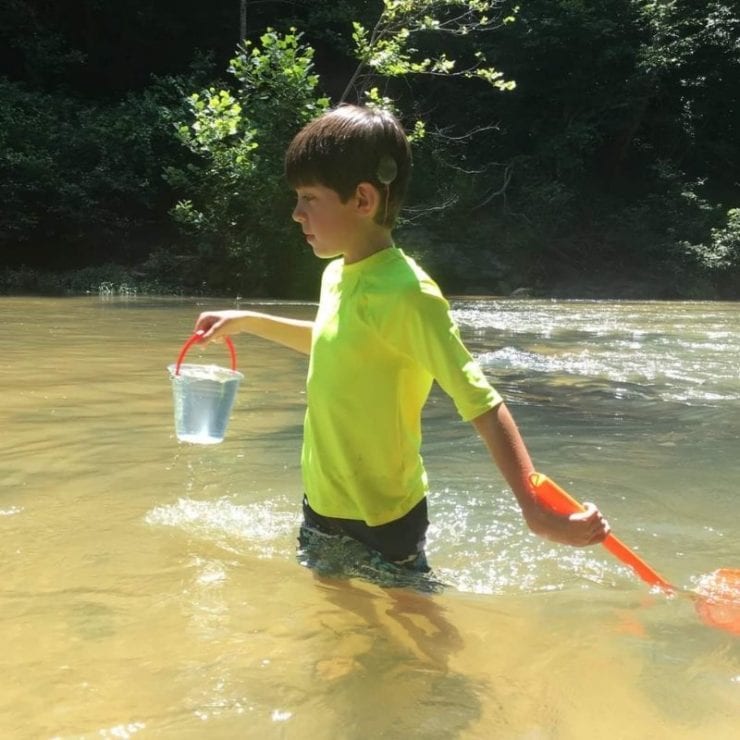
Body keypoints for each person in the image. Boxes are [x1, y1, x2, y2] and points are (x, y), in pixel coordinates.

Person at [193, 104, 610, 575]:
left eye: (309, 197)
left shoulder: (409, 294)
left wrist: (534, 509)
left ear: (363, 200)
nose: (296, 213)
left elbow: (481, 403)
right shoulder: (336, 274)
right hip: (322, 498)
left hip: (387, 513)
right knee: (333, 624)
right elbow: (337, 344)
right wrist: (247, 320)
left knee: (414, 625)